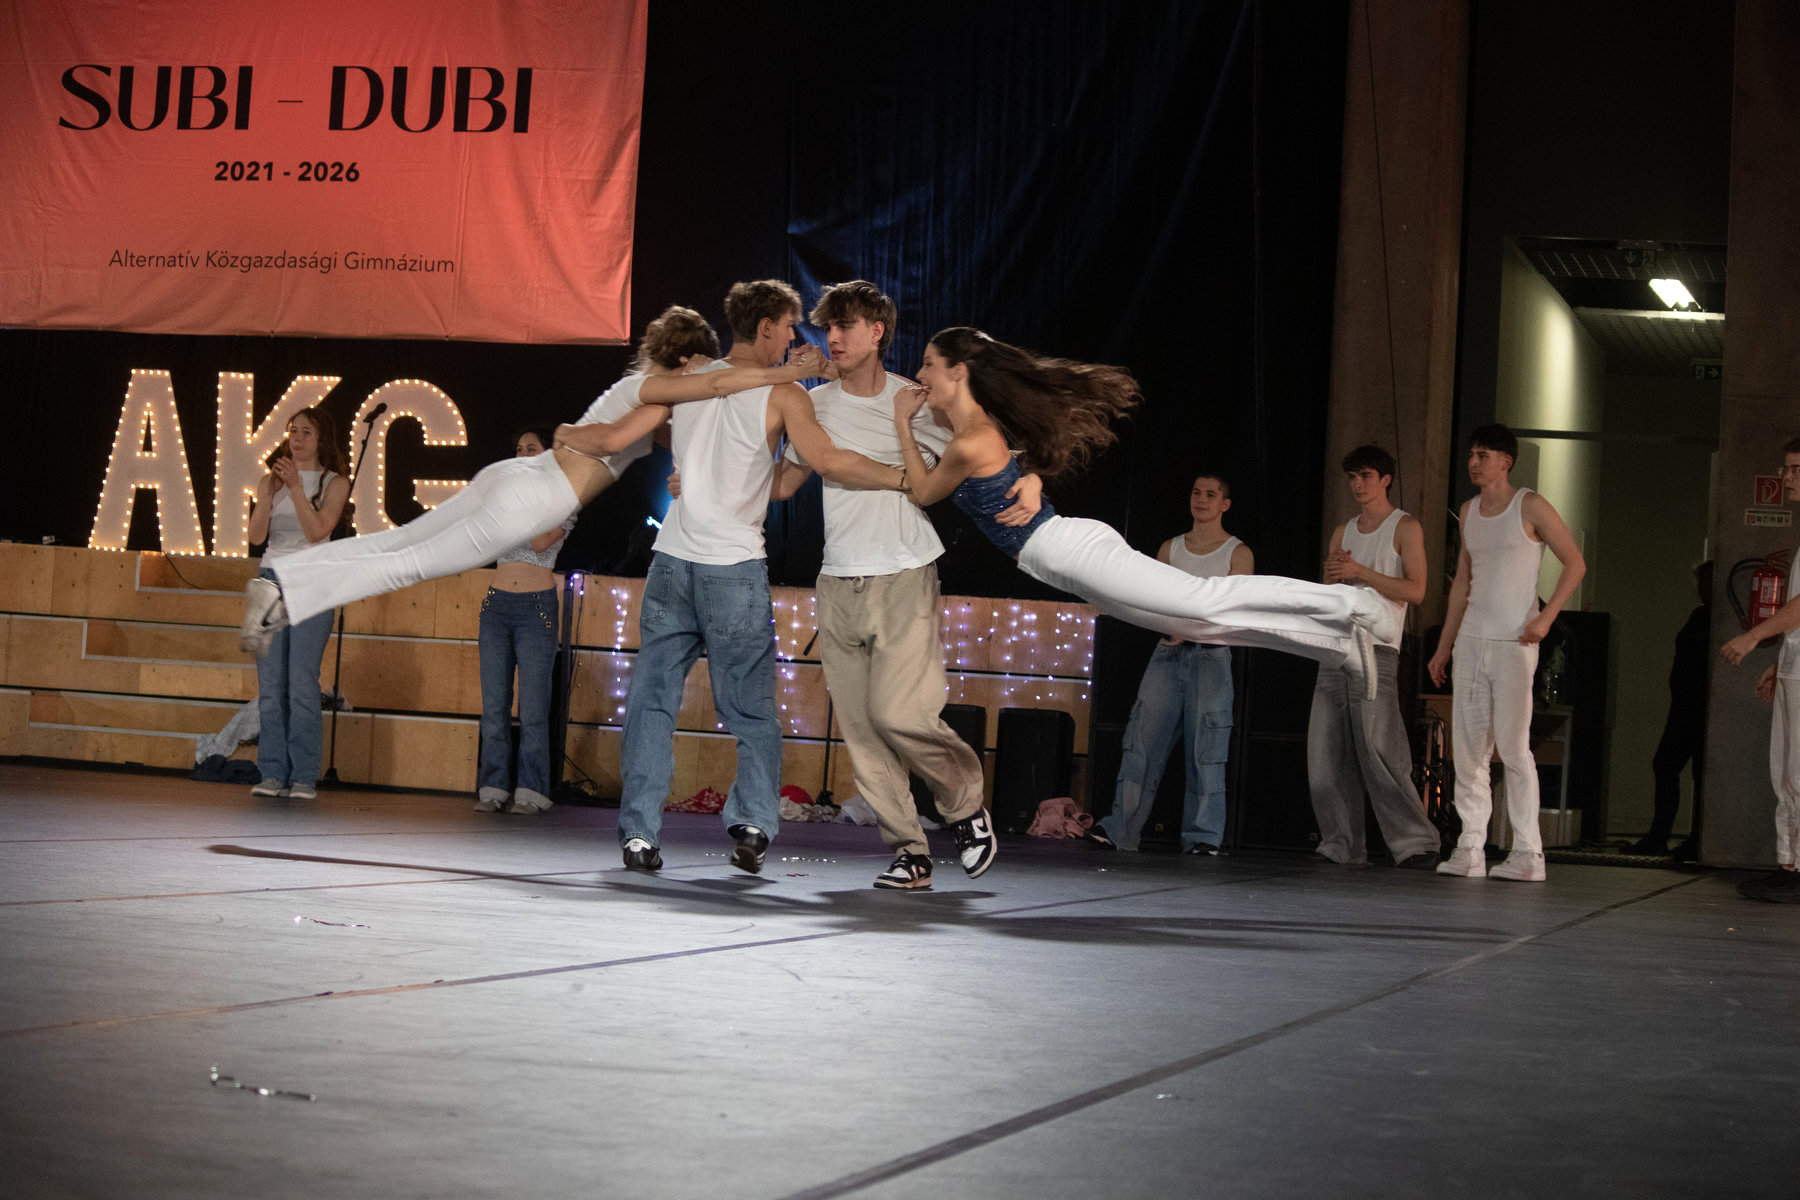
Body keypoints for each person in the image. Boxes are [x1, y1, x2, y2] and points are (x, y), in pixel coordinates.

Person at [237, 305, 828, 652]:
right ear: (685, 361)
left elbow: (698, 438)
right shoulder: (656, 393)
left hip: (515, 476)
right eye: (702, 362)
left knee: (401, 544)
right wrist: (790, 374)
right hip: (534, 497)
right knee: (409, 562)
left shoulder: (637, 393)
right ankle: (287, 591)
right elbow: (637, 428)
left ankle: (281, 583)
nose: (709, 371)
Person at [887, 328, 1396, 705]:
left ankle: (1352, 602)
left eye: (929, 364)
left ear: (959, 371)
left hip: (1068, 549)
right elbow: (1014, 461)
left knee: (1206, 600)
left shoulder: (970, 439)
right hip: (1055, 561)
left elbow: (924, 492)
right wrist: (1033, 477)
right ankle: (1337, 648)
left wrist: (902, 424)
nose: (921, 373)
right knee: (1199, 626)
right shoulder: (971, 431)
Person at [616, 280, 911, 875]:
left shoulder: (689, 381)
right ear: (770, 326)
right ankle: (752, 824)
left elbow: (683, 445)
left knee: (651, 704)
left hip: (671, 562)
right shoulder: (784, 393)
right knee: (750, 709)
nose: (795, 339)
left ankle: (638, 835)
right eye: (790, 327)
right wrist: (906, 479)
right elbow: (826, 461)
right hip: (732, 570)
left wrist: (698, 474)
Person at [765, 280, 1007, 889]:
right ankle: (909, 852)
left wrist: (1025, 484)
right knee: (863, 731)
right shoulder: (813, 404)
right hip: (836, 579)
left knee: (900, 714)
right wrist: (710, 477)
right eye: (829, 327)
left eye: (846, 325)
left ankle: (965, 807)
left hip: (902, 570)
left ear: (877, 332)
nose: (834, 337)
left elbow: (982, 452)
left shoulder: (915, 400)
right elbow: (784, 484)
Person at [1427, 424, 1586, 883]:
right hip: (1472, 639)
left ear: (1506, 461)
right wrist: (1445, 645)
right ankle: (1470, 847)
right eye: (1471, 454)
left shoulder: (1529, 505)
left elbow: (1575, 563)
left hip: (1516, 642)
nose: (1474, 462)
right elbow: (1462, 582)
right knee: (1468, 750)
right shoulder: (1468, 511)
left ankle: (1528, 852)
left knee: (1514, 749)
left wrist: (1546, 618)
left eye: (1483, 455)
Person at [1087, 472, 1250, 856]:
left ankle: (1203, 836)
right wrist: (1167, 625)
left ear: (1225, 504)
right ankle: (1121, 829)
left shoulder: (1238, 553)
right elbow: (1152, 599)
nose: (1201, 499)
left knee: (1206, 751)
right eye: (1196, 492)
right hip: (1168, 654)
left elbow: (1237, 610)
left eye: (1210, 494)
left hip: (1211, 656)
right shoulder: (1171, 548)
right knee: (1141, 743)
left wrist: (1189, 627)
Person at [1306, 444, 1442, 869]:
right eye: (1352, 477)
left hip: (1377, 646)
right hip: (1336, 644)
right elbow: (1330, 589)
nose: (1358, 484)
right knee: (1326, 753)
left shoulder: (1405, 526)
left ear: (1385, 480)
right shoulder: (1343, 531)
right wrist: (1333, 581)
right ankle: (1342, 843)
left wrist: (1360, 572)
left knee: (1379, 747)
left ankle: (1416, 842)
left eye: (1365, 476)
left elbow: (1416, 590)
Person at [244, 407, 351, 801]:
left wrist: (294, 489)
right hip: (271, 581)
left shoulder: (335, 482)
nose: (298, 439)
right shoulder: (269, 481)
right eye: (293, 432)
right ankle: (272, 772)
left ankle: (303, 776)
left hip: (311, 582)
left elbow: (317, 531)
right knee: (271, 686)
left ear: (322, 439)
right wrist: (267, 495)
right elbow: (257, 537)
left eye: (306, 432)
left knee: (302, 684)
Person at [473, 428, 573, 816]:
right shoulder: (503, 497)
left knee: (532, 709)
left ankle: (531, 790)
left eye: (532, 448)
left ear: (547, 455)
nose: (523, 454)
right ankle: (493, 787)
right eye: (518, 449)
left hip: (536, 608)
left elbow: (540, 542)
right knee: (494, 707)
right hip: (496, 605)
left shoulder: (562, 499)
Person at [1721, 436, 1800, 903]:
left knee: (1798, 770)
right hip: (1794, 665)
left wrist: (1753, 636)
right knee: (1784, 770)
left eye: (1795, 469)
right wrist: (1777, 660)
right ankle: (1789, 863)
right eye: (1786, 468)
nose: (1786, 477)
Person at [1631, 561, 1712, 859]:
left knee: (1686, 769)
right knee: (1669, 766)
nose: (1699, 589)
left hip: (1697, 707)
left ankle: (1682, 837)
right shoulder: (1701, 616)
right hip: (1685, 705)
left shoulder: (1713, 619)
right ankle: (1665, 835)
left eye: (1703, 583)